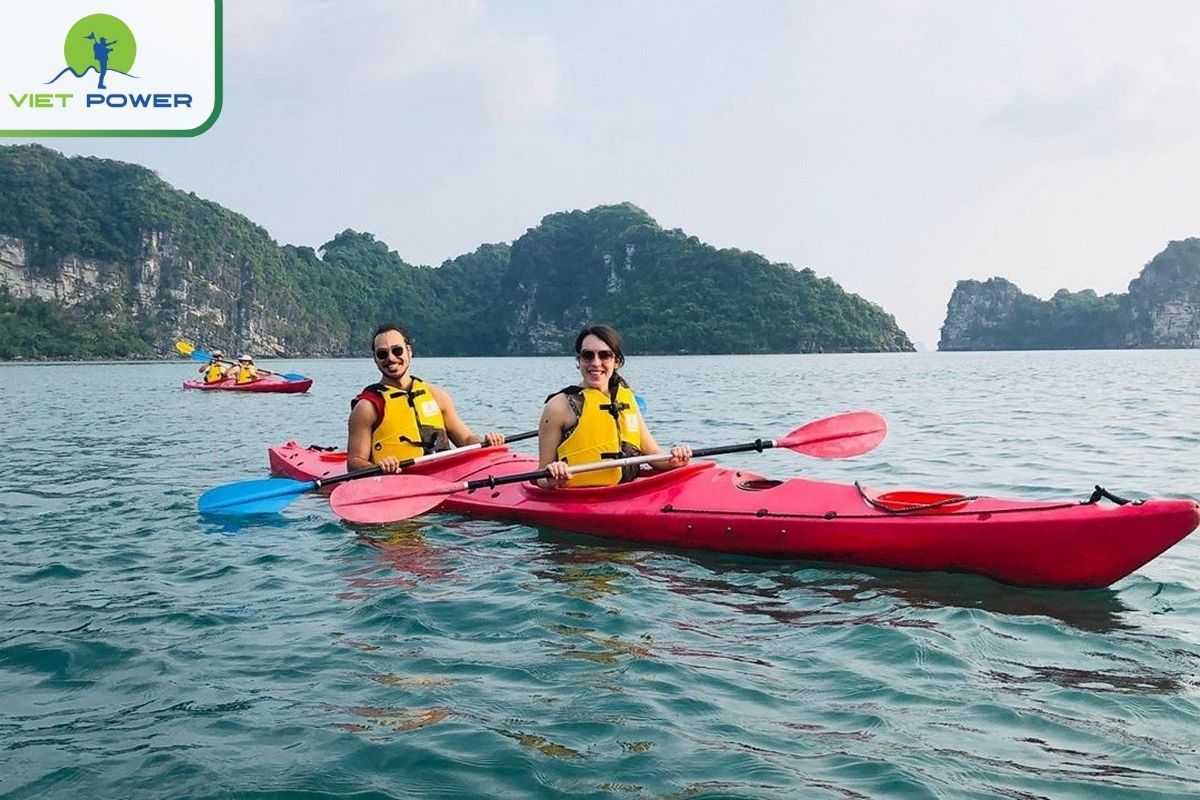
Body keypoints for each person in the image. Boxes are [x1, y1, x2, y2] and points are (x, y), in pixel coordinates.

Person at [538, 324, 690, 489]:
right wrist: (553, 477)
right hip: (580, 497)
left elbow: (652, 454)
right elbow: (541, 477)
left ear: (616, 361)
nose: (596, 363)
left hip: (627, 492)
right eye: (588, 355)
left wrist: (675, 459)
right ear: (579, 361)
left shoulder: (626, 398)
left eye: (605, 355)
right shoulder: (558, 406)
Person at [347, 324, 504, 473]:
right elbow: (354, 462)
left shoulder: (437, 396)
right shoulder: (367, 407)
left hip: (445, 476)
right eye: (382, 354)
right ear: (375, 359)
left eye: (397, 351)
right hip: (397, 481)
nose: (391, 358)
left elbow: (466, 439)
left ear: (409, 351)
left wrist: (487, 441)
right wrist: (378, 467)